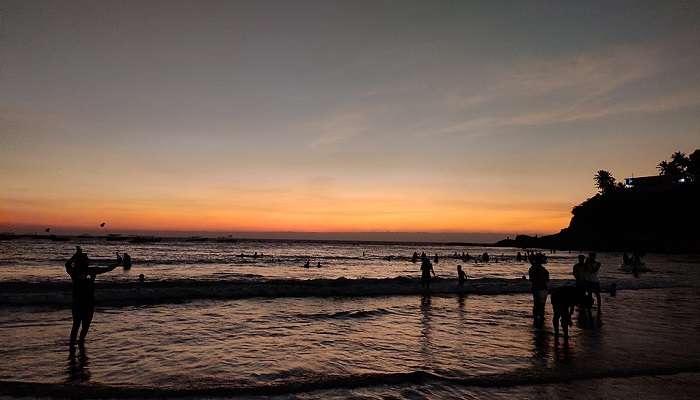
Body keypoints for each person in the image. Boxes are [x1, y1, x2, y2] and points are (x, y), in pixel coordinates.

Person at [65, 246, 122, 345]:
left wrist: (117, 263)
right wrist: (76, 255)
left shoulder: (88, 271)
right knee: (78, 325)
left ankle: (78, 343)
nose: (88, 261)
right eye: (86, 259)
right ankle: (75, 343)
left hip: (87, 302)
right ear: (81, 261)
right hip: (80, 302)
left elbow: (107, 269)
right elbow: (67, 264)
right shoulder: (76, 271)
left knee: (82, 325)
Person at [528, 253, 549, 328]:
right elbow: (547, 279)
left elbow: (531, 278)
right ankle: (540, 317)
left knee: (536, 304)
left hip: (536, 288)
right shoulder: (542, 269)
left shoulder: (532, 268)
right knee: (541, 305)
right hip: (542, 288)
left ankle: (536, 318)